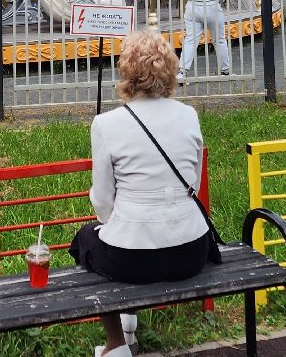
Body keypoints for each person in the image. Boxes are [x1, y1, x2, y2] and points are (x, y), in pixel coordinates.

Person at [69, 31, 217, 357]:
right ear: (170, 69)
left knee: (88, 240)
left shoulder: (106, 124)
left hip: (132, 259)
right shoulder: (188, 115)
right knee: (111, 236)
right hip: (190, 251)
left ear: (126, 71)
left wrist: (120, 223)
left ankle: (116, 343)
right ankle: (129, 328)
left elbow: (103, 202)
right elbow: (190, 182)